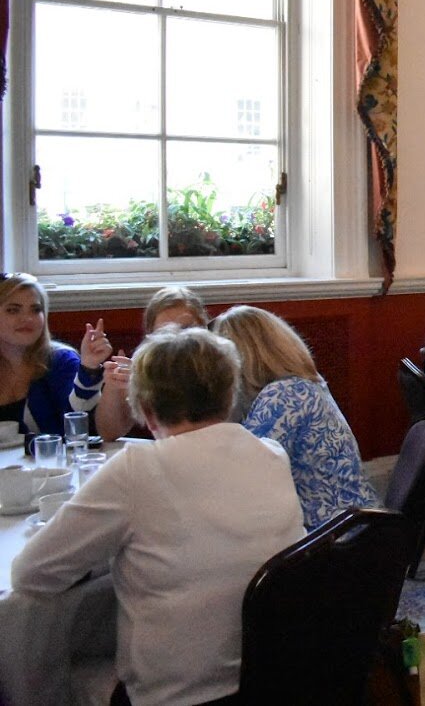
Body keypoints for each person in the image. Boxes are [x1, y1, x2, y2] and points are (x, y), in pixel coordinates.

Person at [12, 327, 305, 706]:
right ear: (230, 395)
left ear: (147, 413)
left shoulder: (137, 468)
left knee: (59, 664)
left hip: (179, 695)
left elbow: (31, 574)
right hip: (275, 677)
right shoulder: (270, 454)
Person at [211, 305, 380, 530]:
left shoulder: (283, 395)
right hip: (355, 525)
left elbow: (244, 477)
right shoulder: (305, 384)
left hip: (335, 539)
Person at [92, 286, 212, 441]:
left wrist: (150, 386)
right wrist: (115, 387)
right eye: (165, 332)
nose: (176, 338)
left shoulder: (216, 365)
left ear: (204, 328)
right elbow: (109, 433)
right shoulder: (141, 364)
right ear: (150, 336)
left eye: (186, 329)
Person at [0, 273, 106, 436]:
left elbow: (76, 422)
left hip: (49, 460)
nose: (27, 318)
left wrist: (89, 368)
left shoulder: (61, 360)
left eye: (36, 310)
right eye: (13, 310)